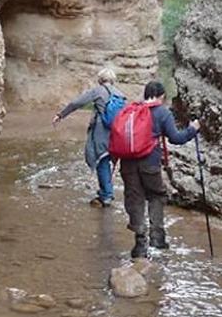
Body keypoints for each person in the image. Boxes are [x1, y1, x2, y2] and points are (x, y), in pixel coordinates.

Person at [120, 80, 201, 258]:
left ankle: (140, 244)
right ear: (161, 96)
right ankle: (157, 239)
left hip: (127, 164)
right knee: (156, 195)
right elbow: (176, 138)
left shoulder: (132, 110)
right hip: (149, 163)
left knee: (135, 198)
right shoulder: (162, 112)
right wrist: (192, 130)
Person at [52, 67, 125, 207]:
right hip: (117, 133)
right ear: (113, 80)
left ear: (100, 79)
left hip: (101, 131)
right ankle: (106, 190)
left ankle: (107, 195)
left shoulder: (97, 91)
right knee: (108, 160)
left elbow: (76, 103)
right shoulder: (121, 95)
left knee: (100, 160)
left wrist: (61, 115)